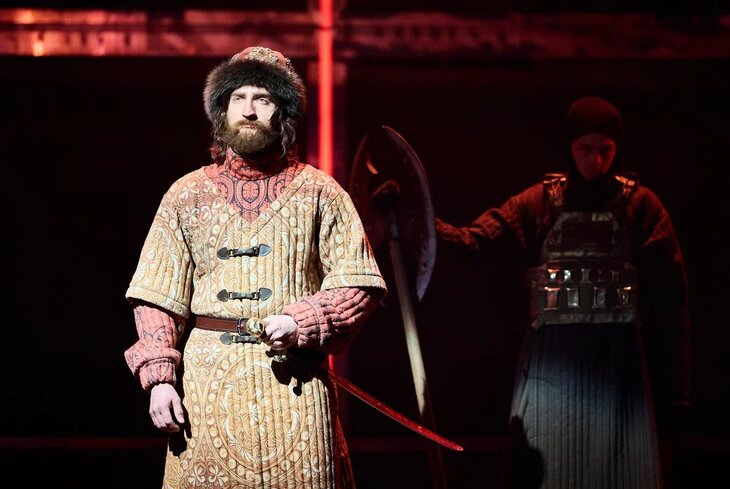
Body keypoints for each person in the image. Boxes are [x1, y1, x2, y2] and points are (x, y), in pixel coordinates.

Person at [123, 46, 387, 488]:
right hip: (205, 395)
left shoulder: (320, 192)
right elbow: (156, 296)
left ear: (282, 111)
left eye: (262, 99)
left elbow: (358, 284)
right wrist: (159, 379)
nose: (248, 110)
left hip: (295, 389)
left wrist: (301, 320)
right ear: (221, 109)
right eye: (238, 98)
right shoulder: (186, 196)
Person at [436, 96, 691, 489]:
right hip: (552, 366)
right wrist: (416, 219)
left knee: (620, 470)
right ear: (570, 146)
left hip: (617, 365)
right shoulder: (537, 204)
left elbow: (672, 300)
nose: (596, 160)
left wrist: (675, 390)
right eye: (585, 148)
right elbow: (475, 242)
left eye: (605, 149)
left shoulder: (642, 208)